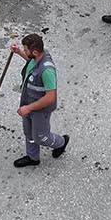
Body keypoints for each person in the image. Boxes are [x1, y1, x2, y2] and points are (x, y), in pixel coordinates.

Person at [10, 34, 68, 169]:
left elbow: (50, 98)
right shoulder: (37, 57)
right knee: (29, 133)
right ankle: (33, 157)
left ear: (35, 52)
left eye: (25, 49)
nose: (24, 51)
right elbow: (31, 63)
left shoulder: (47, 71)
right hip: (28, 103)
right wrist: (18, 52)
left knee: (41, 137)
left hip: (40, 110)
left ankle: (61, 142)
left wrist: (29, 108)